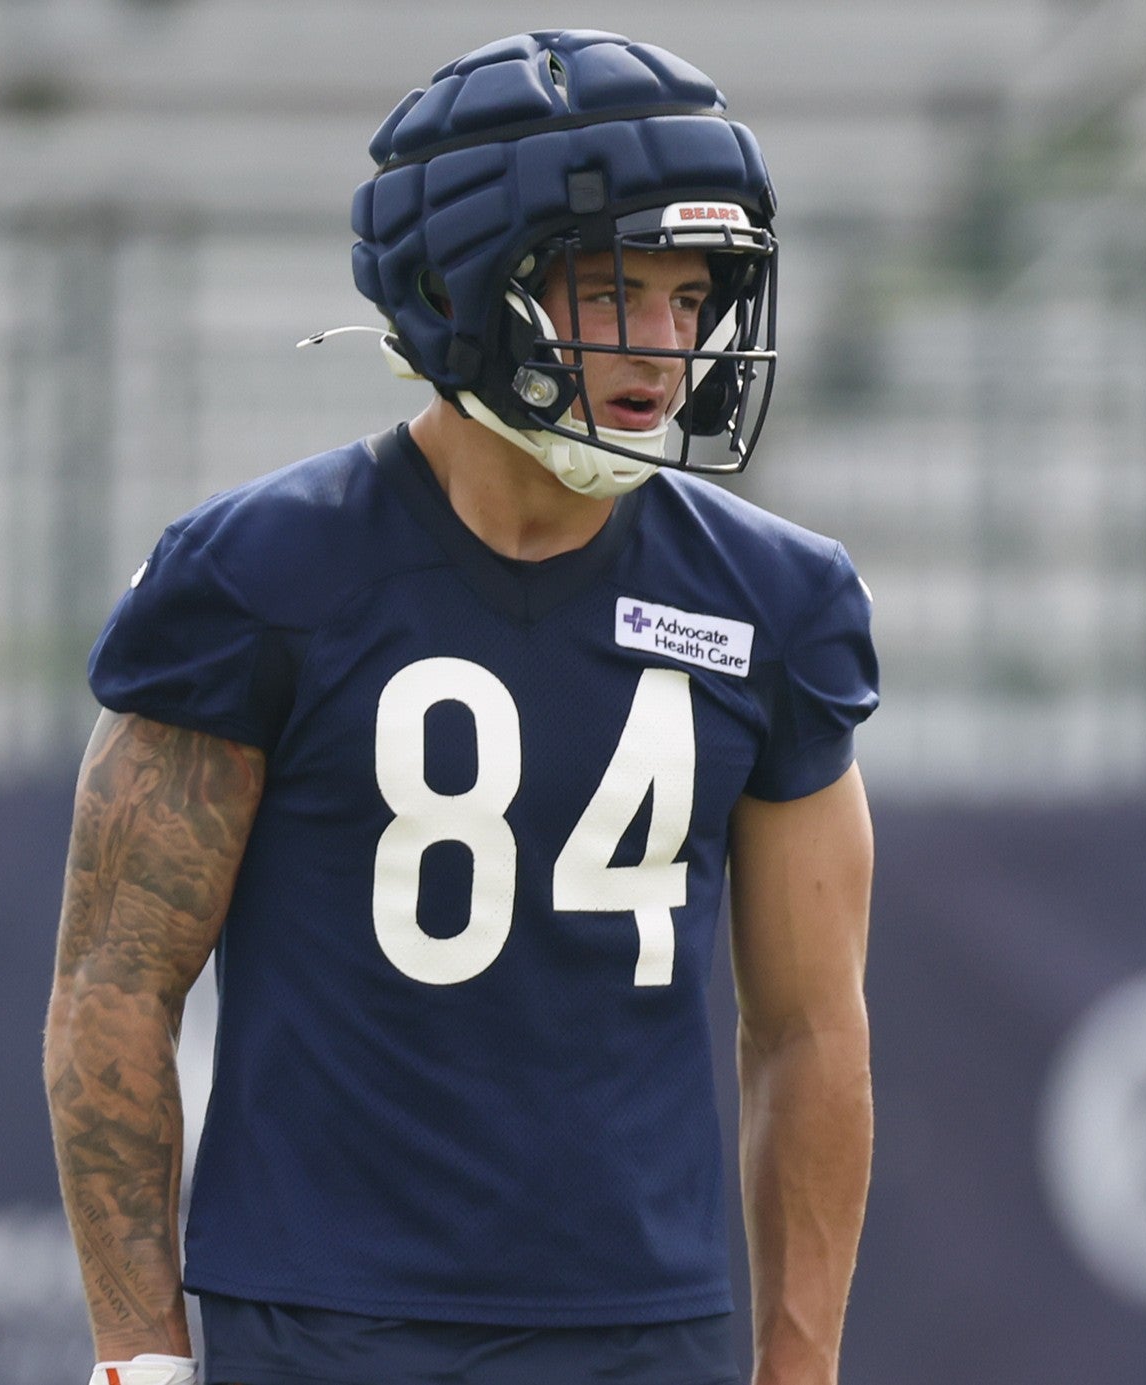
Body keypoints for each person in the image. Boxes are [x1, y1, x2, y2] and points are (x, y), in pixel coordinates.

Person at [45, 29, 878, 1385]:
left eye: (690, 297)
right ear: (464, 285)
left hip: (637, 1333)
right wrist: (138, 1357)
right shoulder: (258, 575)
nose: (666, 345)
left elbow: (809, 1029)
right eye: (615, 289)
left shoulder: (775, 601)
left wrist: (800, 1366)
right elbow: (115, 983)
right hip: (320, 1326)